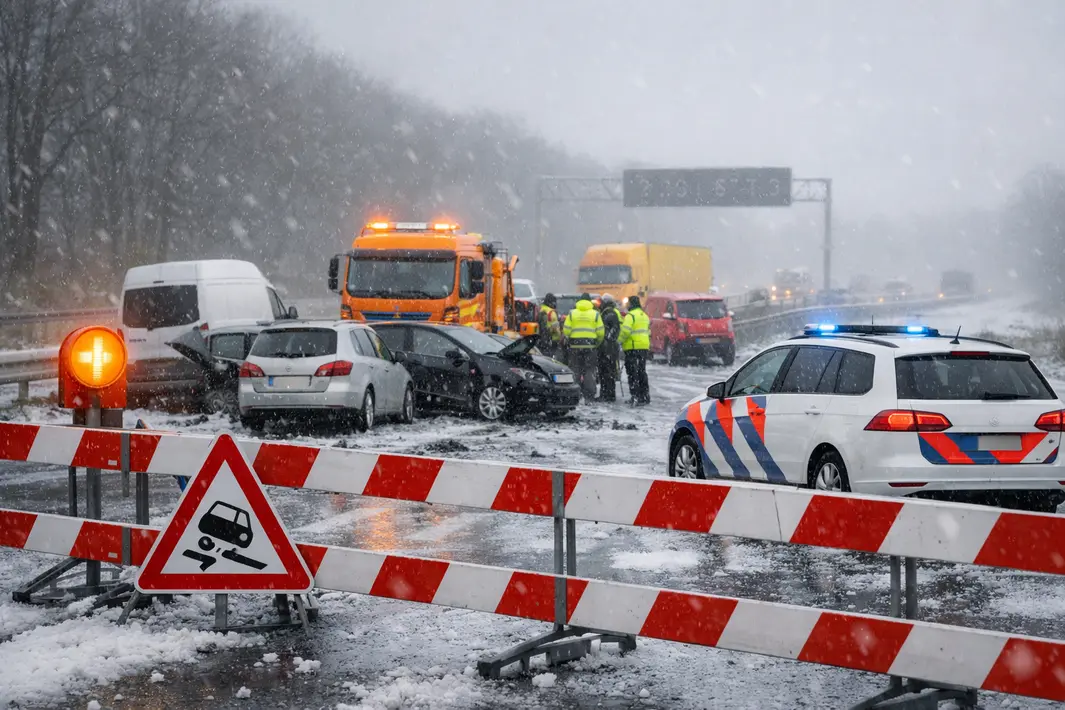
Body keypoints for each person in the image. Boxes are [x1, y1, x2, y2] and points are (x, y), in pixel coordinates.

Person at [563, 293, 604, 400]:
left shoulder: (572, 313)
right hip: (590, 346)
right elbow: (600, 333)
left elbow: (566, 330)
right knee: (589, 370)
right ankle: (589, 394)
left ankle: (575, 392)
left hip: (575, 346)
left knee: (575, 369)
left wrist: (570, 340)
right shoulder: (595, 314)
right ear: (589, 302)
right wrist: (596, 344)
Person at [620, 295, 651, 406]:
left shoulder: (630, 316)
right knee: (642, 371)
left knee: (632, 373)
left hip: (632, 347)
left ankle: (635, 396)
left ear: (631, 304)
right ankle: (645, 396)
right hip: (643, 347)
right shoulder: (645, 316)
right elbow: (649, 332)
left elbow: (625, 331)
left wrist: (619, 341)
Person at [597, 294, 622, 402]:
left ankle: (608, 395)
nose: (600, 304)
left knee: (607, 372)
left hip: (608, 349)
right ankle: (606, 394)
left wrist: (607, 340)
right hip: (607, 348)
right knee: (605, 372)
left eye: (601, 302)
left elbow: (614, 330)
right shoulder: (607, 312)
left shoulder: (610, 313)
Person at [537, 293, 562, 359]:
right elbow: (555, 328)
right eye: (554, 302)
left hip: (543, 340)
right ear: (550, 303)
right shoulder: (551, 312)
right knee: (551, 359)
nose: (555, 304)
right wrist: (559, 337)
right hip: (552, 340)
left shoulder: (541, 310)